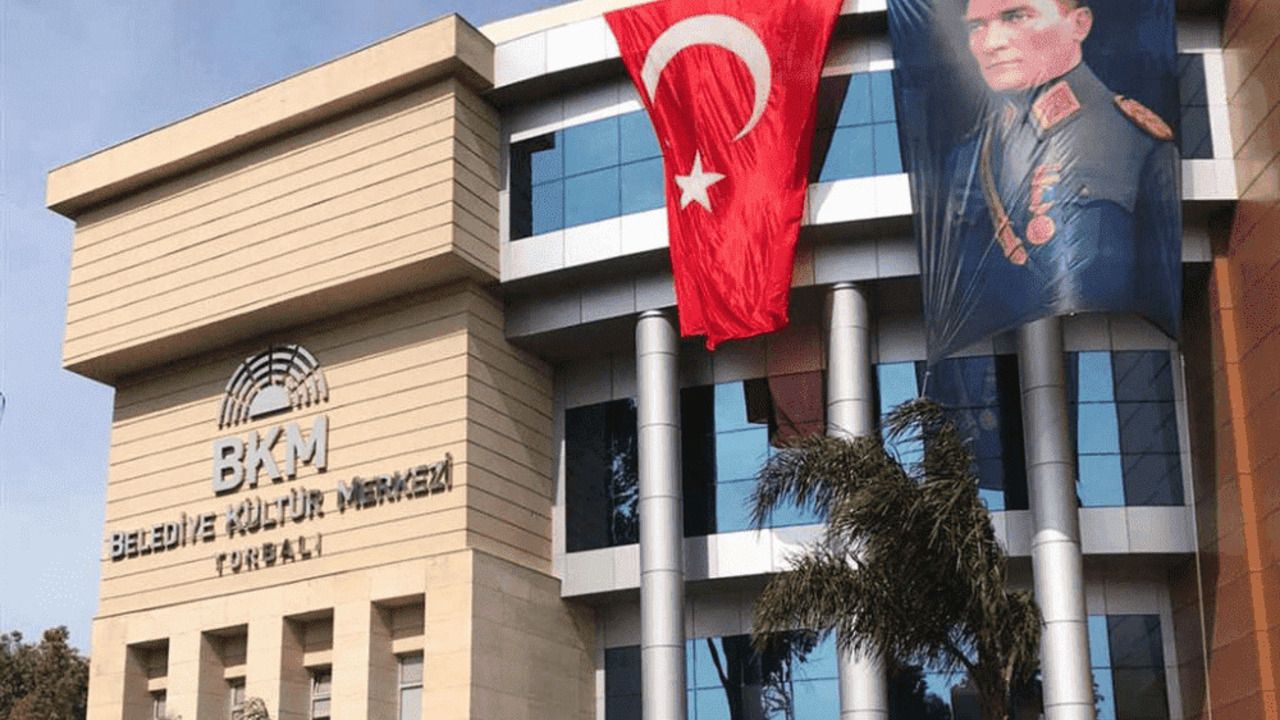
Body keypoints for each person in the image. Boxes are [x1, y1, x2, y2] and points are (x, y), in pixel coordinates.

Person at [933, 0, 1180, 358]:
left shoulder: (1130, 137)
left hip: (1111, 359)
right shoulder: (970, 157)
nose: (991, 43)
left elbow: (1153, 292)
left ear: (1079, 24)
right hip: (1009, 357)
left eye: (1016, 16)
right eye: (976, 27)